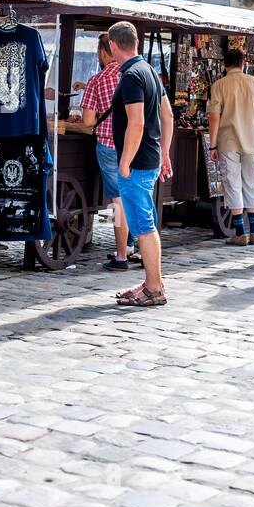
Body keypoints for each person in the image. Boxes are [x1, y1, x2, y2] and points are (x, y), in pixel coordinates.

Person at [107, 21, 174, 306]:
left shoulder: (132, 76)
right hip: (149, 157)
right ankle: (150, 282)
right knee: (145, 223)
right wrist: (165, 152)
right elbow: (168, 116)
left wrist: (124, 161)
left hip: (136, 162)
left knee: (143, 226)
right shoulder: (148, 71)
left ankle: (154, 288)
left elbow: (136, 124)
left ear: (112, 45)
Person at [71, 33, 135, 271]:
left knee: (118, 202)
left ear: (104, 52)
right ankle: (133, 246)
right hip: (134, 145)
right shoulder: (134, 74)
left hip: (108, 146)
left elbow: (88, 121)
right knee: (133, 198)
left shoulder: (98, 80)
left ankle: (121, 255)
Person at [208, 47, 254, 248]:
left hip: (228, 140)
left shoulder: (219, 85)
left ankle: (240, 232)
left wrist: (213, 144)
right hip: (252, 140)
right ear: (244, 63)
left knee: (232, 183)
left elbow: (214, 117)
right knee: (251, 182)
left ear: (225, 65)